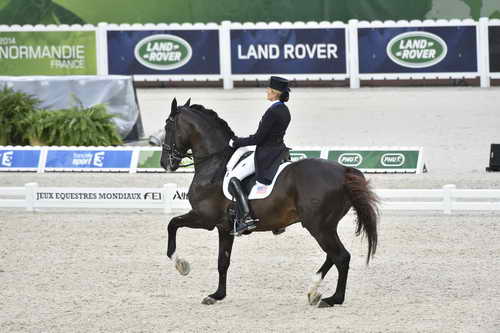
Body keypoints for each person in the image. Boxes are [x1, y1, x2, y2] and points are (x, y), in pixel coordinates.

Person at [227, 76, 291, 236]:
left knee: (234, 179)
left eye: (268, 89)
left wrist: (236, 142)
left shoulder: (272, 111)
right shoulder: (285, 110)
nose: (266, 91)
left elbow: (258, 138)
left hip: (266, 154)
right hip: (280, 151)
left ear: (275, 93)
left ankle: (246, 218)